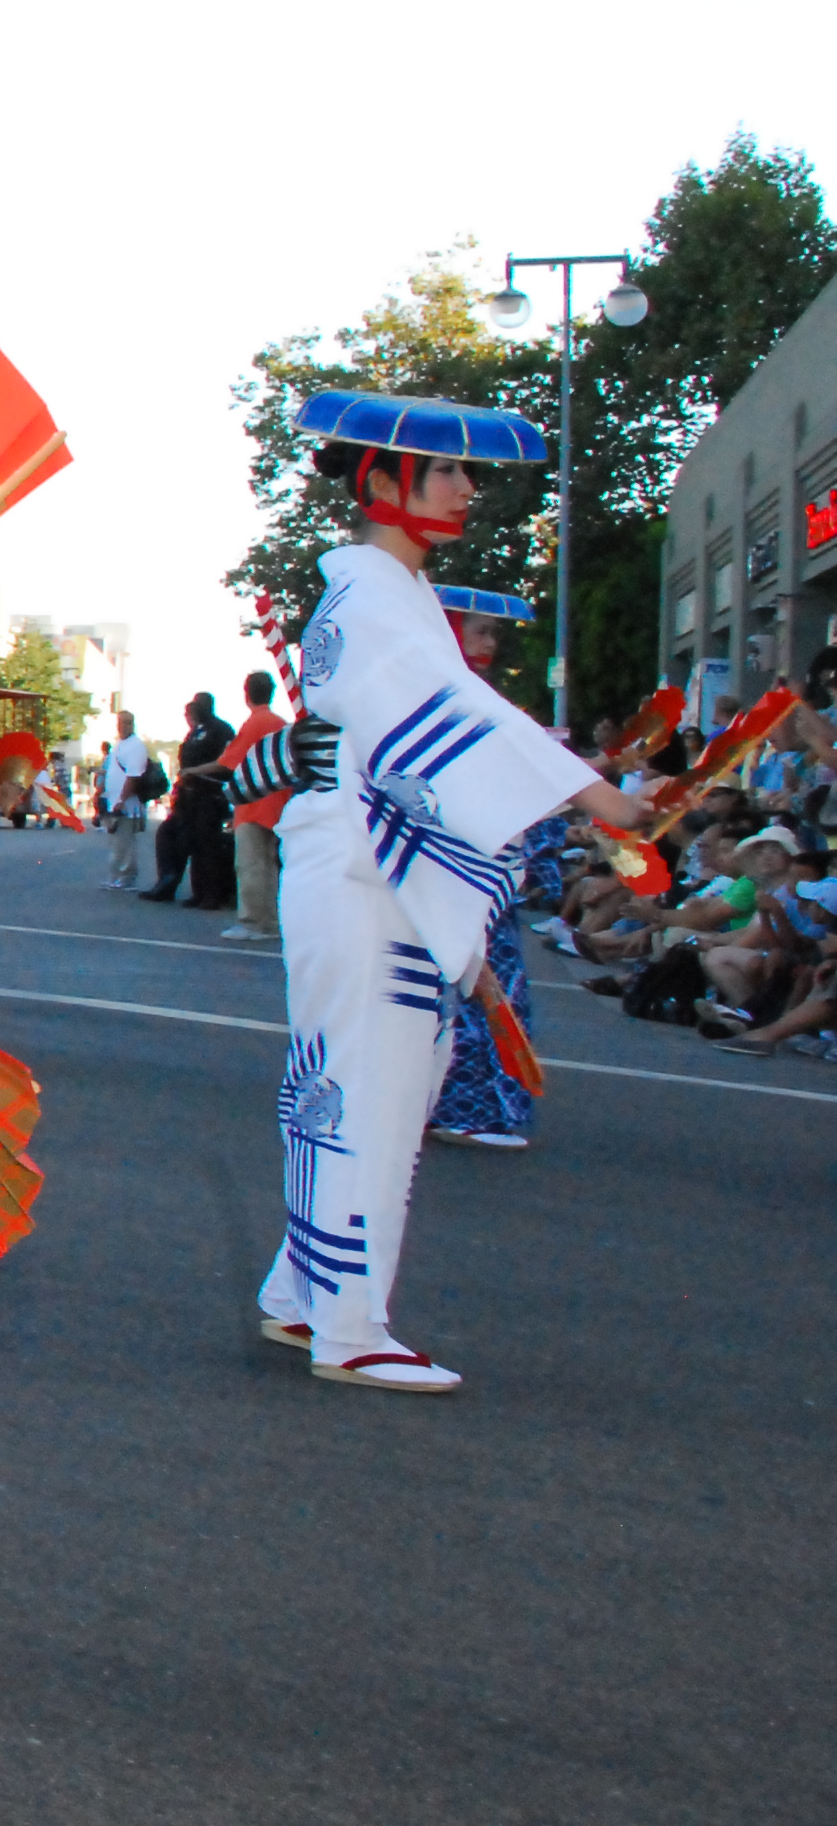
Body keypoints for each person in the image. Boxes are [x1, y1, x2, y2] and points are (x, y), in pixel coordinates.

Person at [228, 391, 641, 1393]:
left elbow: (453, 720)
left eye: (466, 471)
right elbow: (457, 721)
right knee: (364, 1092)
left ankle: (302, 1296)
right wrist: (594, 795)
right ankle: (350, 1328)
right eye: (444, 469)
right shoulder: (373, 600)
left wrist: (585, 789)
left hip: (362, 869)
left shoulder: (380, 597)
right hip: (360, 874)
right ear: (380, 482)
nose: (465, 487)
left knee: (351, 1089)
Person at [414, 592, 549, 1149]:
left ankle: (436, 1101)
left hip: (474, 868)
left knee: (473, 988)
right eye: (481, 632)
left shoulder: (458, 698)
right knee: (479, 989)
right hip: (466, 869)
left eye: (494, 633)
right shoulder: (449, 701)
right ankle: (465, 1109)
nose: (491, 644)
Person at [142, 690, 235, 906]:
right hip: (188, 797)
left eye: (198, 705)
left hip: (210, 796)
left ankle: (210, 895)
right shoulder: (194, 732)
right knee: (171, 835)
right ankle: (170, 884)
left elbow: (227, 763)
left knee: (207, 844)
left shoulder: (221, 730)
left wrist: (195, 772)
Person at [219, 672, 288, 938]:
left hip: (252, 804)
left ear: (246, 692)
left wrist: (192, 771)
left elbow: (229, 762)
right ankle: (269, 920)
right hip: (278, 802)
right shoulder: (281, 724)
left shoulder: (254, 723)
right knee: (269, 866)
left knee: (249, 865)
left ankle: (251, 921)